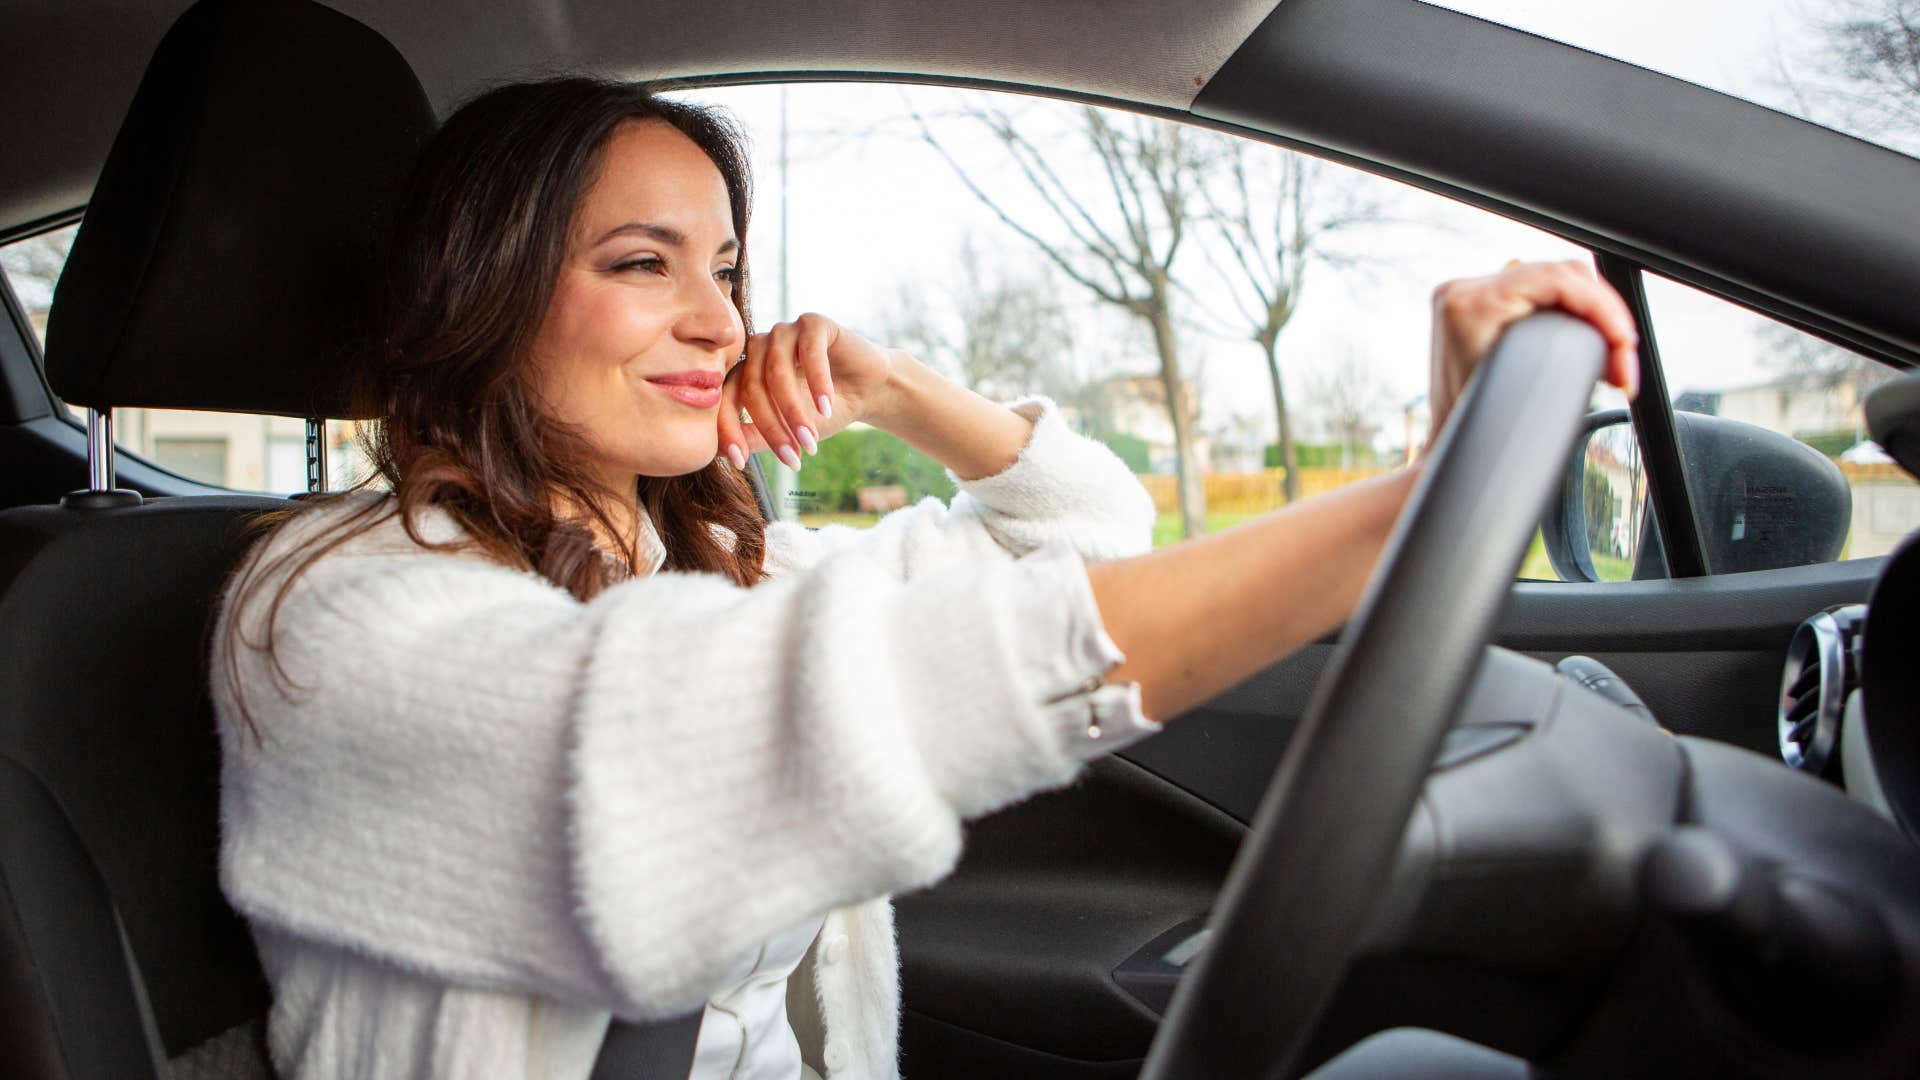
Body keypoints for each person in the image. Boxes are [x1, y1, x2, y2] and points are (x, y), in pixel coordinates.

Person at [213, 78, 1639, 1080]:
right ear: (484, 291)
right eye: (645, 265)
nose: (721, 322)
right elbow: (716, 727)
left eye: (727, 269)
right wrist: (1410, 512)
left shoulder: (710, 561)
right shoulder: (333, 613)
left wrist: (893, 389)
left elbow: (1081, 542)